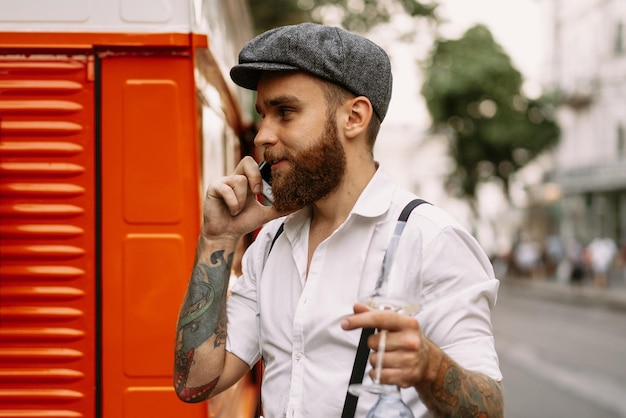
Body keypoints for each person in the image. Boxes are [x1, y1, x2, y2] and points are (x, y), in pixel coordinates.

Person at [174, 23, 503, 417]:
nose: (262, 135)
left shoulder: (432, 241)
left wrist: (431, 368)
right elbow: (195, 383)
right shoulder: (272, 241)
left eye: (285, 112)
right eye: (263, 115)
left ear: (354, 117)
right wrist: (219, 238)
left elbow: (491, 408)